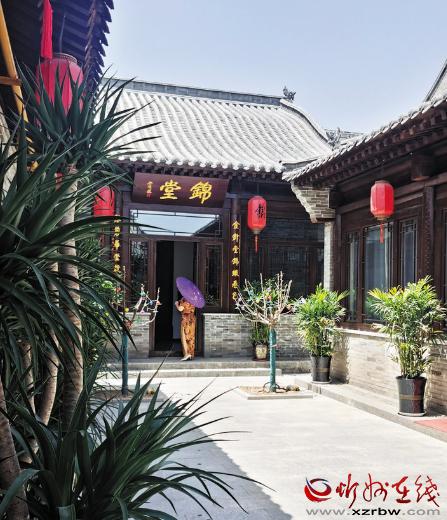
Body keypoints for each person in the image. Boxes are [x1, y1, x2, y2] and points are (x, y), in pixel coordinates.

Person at [175, 296, 196, 361]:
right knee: (191, 337)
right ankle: (191, 354)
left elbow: (180, 309)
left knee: (184, 337)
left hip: (186, 321)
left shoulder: (185, 300)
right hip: (192, 321)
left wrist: (176, 304)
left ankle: (187, 354)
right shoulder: (193, 300)